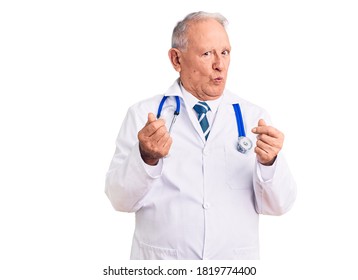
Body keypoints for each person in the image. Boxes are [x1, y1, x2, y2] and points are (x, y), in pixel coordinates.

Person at [105, 11, 296, 260]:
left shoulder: (253, 118)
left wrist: (269, 163)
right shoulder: (144, 114)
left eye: (225, 52)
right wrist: (146, 157)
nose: (220, 64)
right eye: (207, 54)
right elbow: (120, 200)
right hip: (163, 265)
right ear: (176, 59)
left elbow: (280, 205)